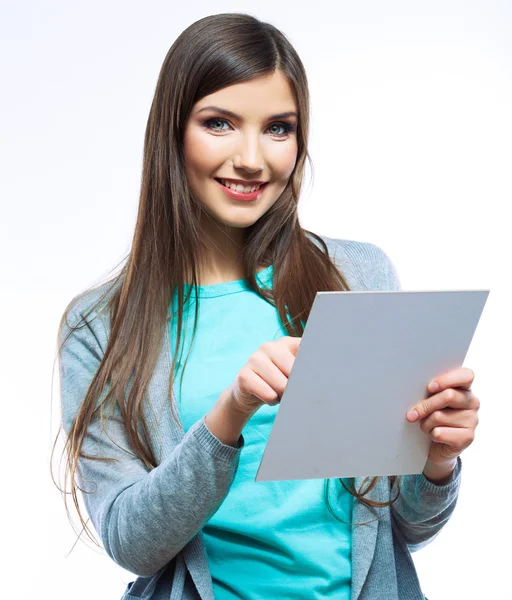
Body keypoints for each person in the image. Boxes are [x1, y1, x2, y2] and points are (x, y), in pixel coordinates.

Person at [55, 12, 480, 600]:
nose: (253, 159)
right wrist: (231, 412)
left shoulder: (355, 275)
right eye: (220, 123)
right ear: (172, 132)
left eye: (279, 128)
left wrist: (434, 462)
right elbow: (133, 541)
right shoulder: (101, 326)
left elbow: (405, 526)